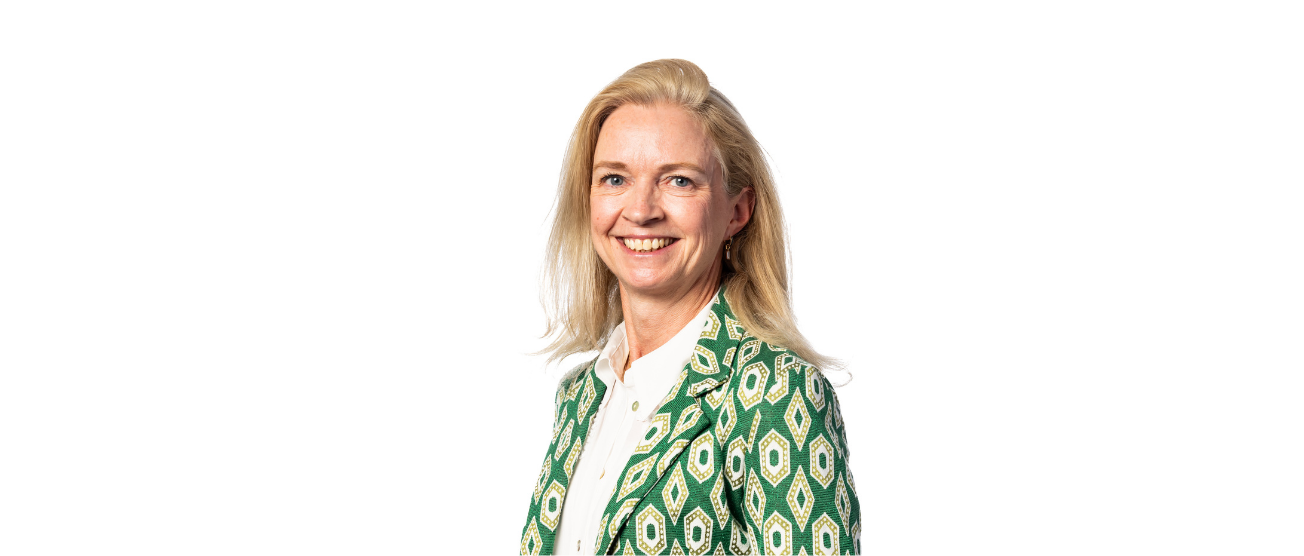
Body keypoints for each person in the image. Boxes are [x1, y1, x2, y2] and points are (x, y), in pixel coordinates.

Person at [520, 59, 860, 555]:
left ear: (737, 211)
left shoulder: (775, 394)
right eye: (614, 179)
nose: (641, 211)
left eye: (678, 180)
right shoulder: (580, 396)